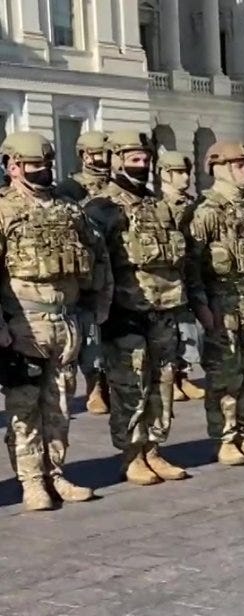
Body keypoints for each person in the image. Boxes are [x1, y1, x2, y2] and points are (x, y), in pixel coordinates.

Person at [0, 131, 113, 511]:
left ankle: (57, 474)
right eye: (35, 164)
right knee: (24, 405)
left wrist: (99, 305)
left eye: (47, 163)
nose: (44, 170)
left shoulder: (69, 209)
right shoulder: (3, 211)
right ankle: (32, 481)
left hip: (66, 322)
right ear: (13, 166)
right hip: (23, 323)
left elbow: (99, 258)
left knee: (60, 403)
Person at [86, 131, 191, 485]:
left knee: (162, 382)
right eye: (134, 159)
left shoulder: (157, 205)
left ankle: (154, 449)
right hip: (124, 313)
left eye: (145, 160)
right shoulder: (102, 208)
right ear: (116, 160)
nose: (141, 166)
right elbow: (96, 265)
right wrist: (104, 314)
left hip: (163, 310)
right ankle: (131, 455)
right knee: (129, 386)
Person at [184, 141, 244, 466]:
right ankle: (225, 438)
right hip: (221, 302)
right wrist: (201, 306)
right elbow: (193, 265)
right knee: (223, 375)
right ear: (220, 168)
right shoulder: (207, 210)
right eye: (239, 165)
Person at [62, 130, 113, 414]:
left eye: (108, 154)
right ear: (83, 155)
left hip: (113, 264)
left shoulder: (116, 186)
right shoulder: (70, 189)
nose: (103, 160)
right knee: (90, 331)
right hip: (87, 267)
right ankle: (94, 385)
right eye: (98, 154)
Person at [158, 150, 206, 403]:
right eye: (178, 172)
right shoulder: (157, 204)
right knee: (171, 331)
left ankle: (184, 376)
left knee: (189, 330)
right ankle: (172, 378)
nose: (184, 177)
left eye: (186, 172)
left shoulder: (193, 204)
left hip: (190, 273)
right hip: (167, 278)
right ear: (165, 174)